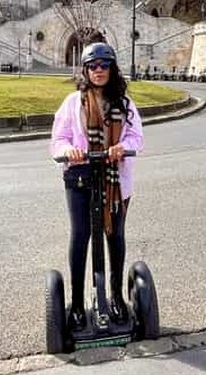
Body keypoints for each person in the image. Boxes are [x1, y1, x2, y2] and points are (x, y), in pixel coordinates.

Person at [50, 42, 144, 331]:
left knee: (114, 236)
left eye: (105, 65)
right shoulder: (72, 102)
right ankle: (77, 303)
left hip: (115, 181)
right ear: (86, 70)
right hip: (80, 178)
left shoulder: (125, 104)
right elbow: (58, 140)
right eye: (93, 66)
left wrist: (121, 147)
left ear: (112, 68)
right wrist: (70, 151)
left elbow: (136, 138)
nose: (99, 70)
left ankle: (115, 296)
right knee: (80, 237)